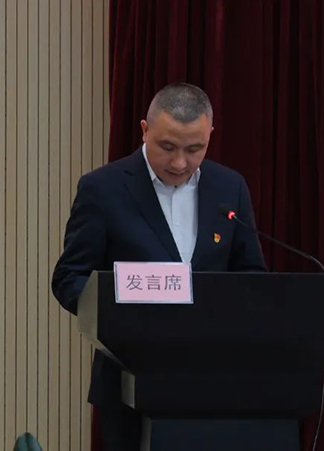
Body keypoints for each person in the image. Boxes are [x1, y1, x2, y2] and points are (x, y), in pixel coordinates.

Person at [51, 82, 267, 451]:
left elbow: (252, 276)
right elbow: (69, 277)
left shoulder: (229, 187)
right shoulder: (103, 188)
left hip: (214, 379)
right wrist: (116, 315)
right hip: (128, 382)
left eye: (194, 149)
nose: (180, 163)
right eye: (167, 147)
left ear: (210, 136)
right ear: (144, 130)